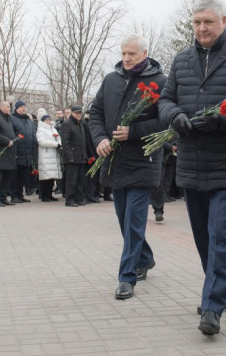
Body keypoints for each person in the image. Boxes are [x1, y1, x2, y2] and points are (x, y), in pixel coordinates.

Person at [157, 0, 226, 335]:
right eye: (196, 22)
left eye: (208, 21)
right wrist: (175, 117)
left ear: (223, 21)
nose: (202, 28)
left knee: (221, 233)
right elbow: (165, 99)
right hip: (192, 162)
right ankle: (223, 289)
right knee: (203, 237)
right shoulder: (181, 60)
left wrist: (222, 119)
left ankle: (212, 306)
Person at [90, 34, 167, 300]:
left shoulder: (160, 82)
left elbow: (166, 121)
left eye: (132, 53)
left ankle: (127, 277)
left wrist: (133, 131)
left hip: (143, 162)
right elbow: (96, 113)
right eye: (123, 53)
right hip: (114, 162)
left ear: (145, 53)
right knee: (124, 220)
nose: (126, 58)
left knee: (134, 221)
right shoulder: (111, 80)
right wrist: (100, 138)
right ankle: (145, 258)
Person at [60, 106, 89, 206]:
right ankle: (69, 199)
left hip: (80, 156)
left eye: (80, 113)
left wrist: (85, 155)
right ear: (72, 113)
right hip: (72, 157)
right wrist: (70, 157)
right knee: (71, 180)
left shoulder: (79, 124)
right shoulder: (67, 124)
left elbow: (83, 141)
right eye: (76, 113)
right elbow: (65, 142)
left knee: (80, 180)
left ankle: (78, 198)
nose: (78, 114)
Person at [9, 100, 36, 203]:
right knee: (14, 176)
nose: (24, 108)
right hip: (17, 152)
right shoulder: (12, 119)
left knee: (22, 176)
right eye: (21, 107)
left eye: (25, 106)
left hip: (27, 153)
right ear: (16, 108)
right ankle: (14, 195)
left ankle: (20, 195)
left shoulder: (28, 120)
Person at [36, 113, 62, 202]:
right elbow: (41, 142)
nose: (48, 121)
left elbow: (59, 138)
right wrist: (55, 144)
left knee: (51, 177)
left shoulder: (53, 129)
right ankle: (44, 195)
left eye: (49, 119)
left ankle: (49, 194)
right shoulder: (41, 130)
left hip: (54, 155)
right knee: (45, 177)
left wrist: (59, 143)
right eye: (46, 120)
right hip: (45, 155)